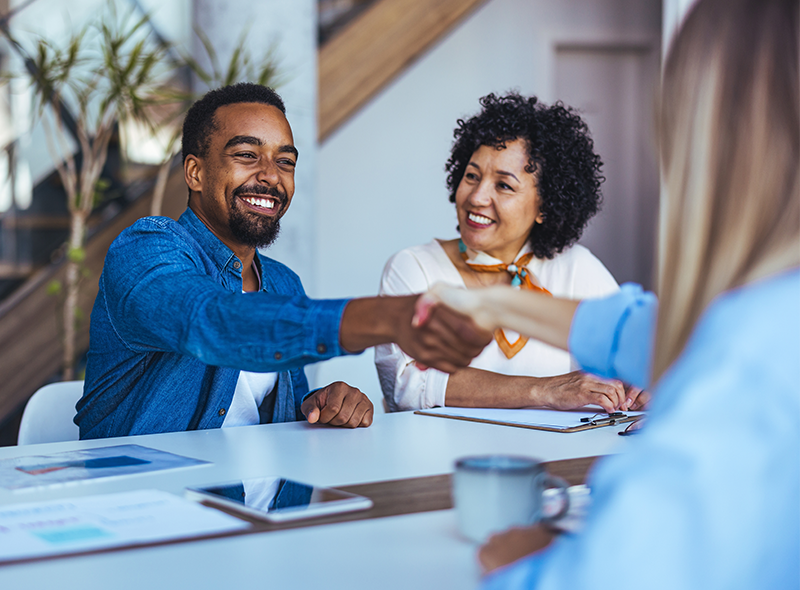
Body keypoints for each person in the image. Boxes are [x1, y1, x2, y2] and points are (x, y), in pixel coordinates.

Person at [420, 0, 800, 588]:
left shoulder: (748, 365)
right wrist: (495, 302)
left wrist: (525, 564)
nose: (480, 197)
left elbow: (614, 571)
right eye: (474, 176)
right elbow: (646, 331)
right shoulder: (770, 313)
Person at [75, 83, 491, 440]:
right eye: (247, 155)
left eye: (285, 161)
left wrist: (319, 405)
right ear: (195, 173)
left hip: (263, 514)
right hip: (149, 513)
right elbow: (212, 320)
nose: (272, 176)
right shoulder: (146, 249)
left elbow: (262, 416)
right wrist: (389, 317)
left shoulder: (282, 283)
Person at [376, 93, 637, 414]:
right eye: (471, 176)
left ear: (545, 206)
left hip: (557, 460)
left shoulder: (577, 267)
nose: (477, 197)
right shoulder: (414, 267)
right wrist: (546, 389)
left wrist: (638, 386)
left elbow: (632, 355)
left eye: (504, 186)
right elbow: (404, 385)